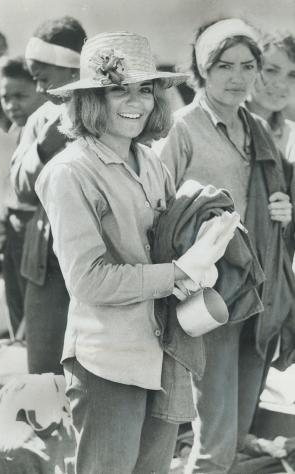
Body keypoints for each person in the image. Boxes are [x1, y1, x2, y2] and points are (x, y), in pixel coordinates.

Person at [35, 31, 240, 474]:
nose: (136, 101)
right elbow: (89, 280)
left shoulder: (150, 161)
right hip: (107, 362)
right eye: (117, 89)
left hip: (164, 354)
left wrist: (204, 248)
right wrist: (178, 270)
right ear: (90, 97)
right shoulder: (69, 173)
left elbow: (168, 244)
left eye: (144, 88)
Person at [157, 18, 295, 473]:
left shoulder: (257, 129)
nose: (237, 77)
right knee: (214, 443)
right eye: (224, 66)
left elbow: (271, 197)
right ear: (202, 70)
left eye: (248, 66)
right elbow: (155, 215)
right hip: (209, 298)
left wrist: (281, 209)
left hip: (257, 297)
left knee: (234, 440)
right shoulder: (181, 129)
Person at [10, 17, 87, 373]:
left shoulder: (107, 112)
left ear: (72, 69)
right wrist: (42, 150)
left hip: (96, 263)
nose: (40, 90)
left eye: (43, 79)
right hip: (46, 266)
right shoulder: (40, 120)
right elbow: (20, 189)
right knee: (44, 373)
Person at [0, 56, 45, 333]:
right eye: (6, 97)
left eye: (20, 96)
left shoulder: (45, 129)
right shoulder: (12, 132)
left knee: (36, 316)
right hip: (13, 229)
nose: (12, 104)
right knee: (16, 307)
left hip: (37, 226)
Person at [246, 33, 295, 163]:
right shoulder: (220, 126)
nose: (281, 84)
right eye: (271, 70)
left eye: (292, 75)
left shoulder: (292, 137)